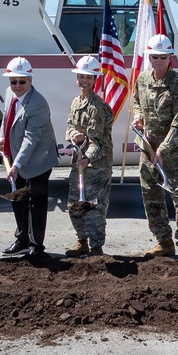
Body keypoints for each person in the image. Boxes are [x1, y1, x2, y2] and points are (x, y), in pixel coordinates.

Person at [132, 34, 178, 258]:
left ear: (170, 57)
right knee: (152, 198)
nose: (158, 61)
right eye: (154, 56)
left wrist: (162, 150)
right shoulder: (142, 79)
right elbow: (137, 101)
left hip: (174, 154)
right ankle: (164, 242)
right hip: (148, 151)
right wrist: (138, 118)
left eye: (162, 57)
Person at [0, 56, 58, 257]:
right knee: (18, 199)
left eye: (22, 81)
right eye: (13, 81)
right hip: (16, 157)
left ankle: (37, 245)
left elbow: (32, 139)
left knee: (35, 202)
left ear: (30, 80)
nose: (18, 85)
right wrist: (3, 138)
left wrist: (17, 164)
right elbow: (6, 118)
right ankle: (21, 239)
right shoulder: (8, 93)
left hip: (38, 158)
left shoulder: (38, 104)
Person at [64, 55, 115, 257]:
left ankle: (96, 248)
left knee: (95, 208)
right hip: (79, 163)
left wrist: (88, 158)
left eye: (88, 77)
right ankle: (81, 241)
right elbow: (69, 126)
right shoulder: (76, 102)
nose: (84, 81)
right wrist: (73, 135)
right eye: (81, 77)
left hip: (96, 165)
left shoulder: (97, 107)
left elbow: (99, 141)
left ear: (95, 80)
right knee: (74, 204)